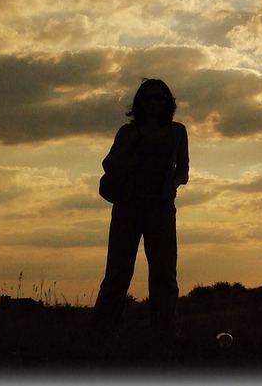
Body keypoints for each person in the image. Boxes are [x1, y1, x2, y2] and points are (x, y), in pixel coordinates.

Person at [92, 78, 189, 340]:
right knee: (118, 272)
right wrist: (129, 147)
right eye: (149, 98)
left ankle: (165, 332)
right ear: (139, 103)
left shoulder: (178, 132)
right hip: (128, 205)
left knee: (164, 273)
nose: (155, 102)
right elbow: (109, 165)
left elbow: (183, 169)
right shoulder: (128, 132)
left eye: (160, 97)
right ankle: (104, 331)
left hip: (161, 208)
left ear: (168, 102)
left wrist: (173, 186)